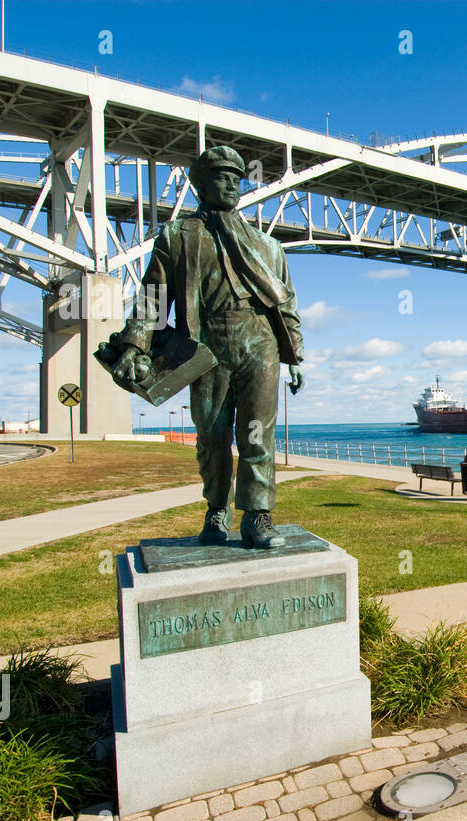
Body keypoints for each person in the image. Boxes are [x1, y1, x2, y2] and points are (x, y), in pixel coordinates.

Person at [109, 146, 305, 548]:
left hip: (260, 342)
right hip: (207, 344)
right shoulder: (178, 236)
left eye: (237, 177)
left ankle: (257, 516)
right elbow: (152, 300)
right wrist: (133, 345)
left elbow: (286, 303)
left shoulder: (268, 247)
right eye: (221, 176)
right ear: (200, 184)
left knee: (257, 434)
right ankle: (217, 510)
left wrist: (295, 355)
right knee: (212, 435)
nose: (232, 183)